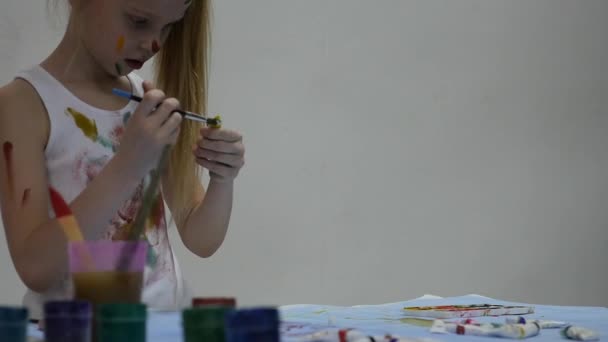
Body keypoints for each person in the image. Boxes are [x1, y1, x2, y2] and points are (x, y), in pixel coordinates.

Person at [0, 0, 245, 320]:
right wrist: (128, 165)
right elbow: (36, 268)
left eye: (169, 27)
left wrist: (222, 177)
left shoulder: (146, 100)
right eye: (139, 20)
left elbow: (200, 238)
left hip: (164, 326)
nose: (155, 43)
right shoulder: (22, 105)